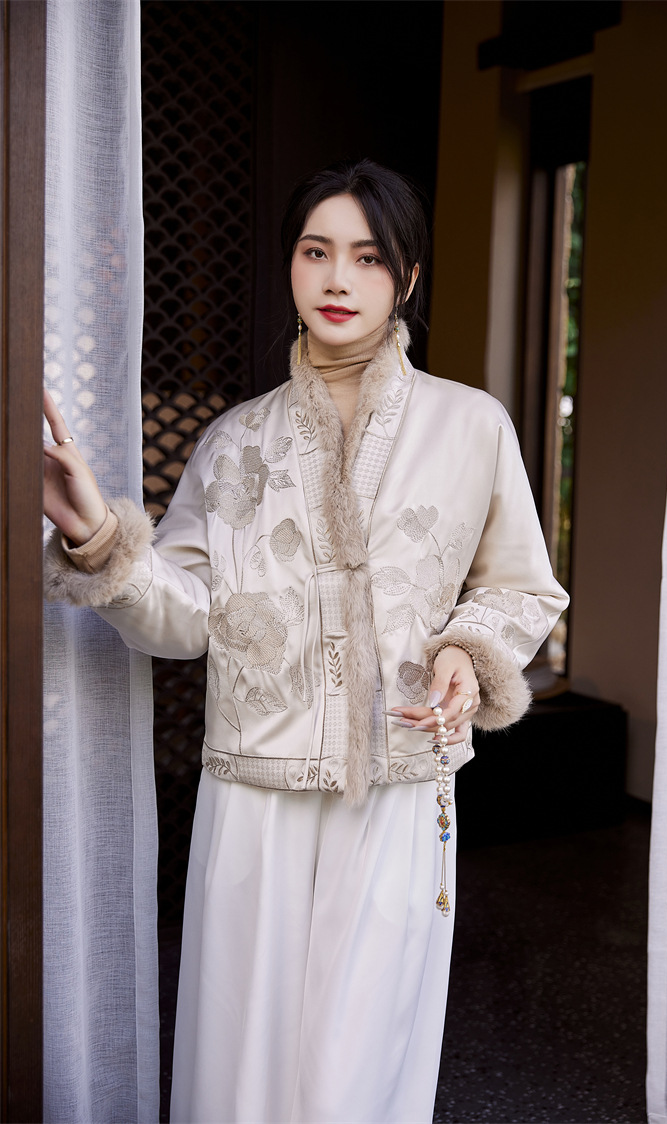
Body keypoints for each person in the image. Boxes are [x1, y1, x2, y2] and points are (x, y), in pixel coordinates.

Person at [43, 159, 568, 1124]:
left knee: (357, 1074)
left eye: (368, 258)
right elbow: (185, 618)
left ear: (408, 277)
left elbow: (520, 585)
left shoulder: (472, 427)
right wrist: (101, 537)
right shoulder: (233, 442)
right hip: (255, 800)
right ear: (289, 263)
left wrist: (466, 651)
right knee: (243, 1065)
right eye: (316, 252)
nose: (337, 279)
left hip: (399, 790)